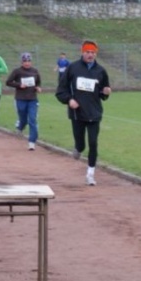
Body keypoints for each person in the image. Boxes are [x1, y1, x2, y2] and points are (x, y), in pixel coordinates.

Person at [55, 40, 112, 186]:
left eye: (93, 52)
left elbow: (103, 92)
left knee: (93, 142)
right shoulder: (73, 68)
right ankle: (79, 148)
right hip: (77, 113)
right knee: (81, 143)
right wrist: (69, 100)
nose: (90, 55)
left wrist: (106, 92)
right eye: (87, 52)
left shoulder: (101, 71)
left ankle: (90, 174)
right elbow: (61, 90)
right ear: (82, 52)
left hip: (94, 112)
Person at [6, 52, 42, 150]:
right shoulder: (17, 71)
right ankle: (20, 127)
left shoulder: (35, 71)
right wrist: (19, 85)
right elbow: (8, 82)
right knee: (23, 119)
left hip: (32, 99)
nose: (27, 63)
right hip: (21, 99)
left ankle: (32, 142)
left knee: (32, 119)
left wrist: (38, 88)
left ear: (31, 62)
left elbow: (38, 82)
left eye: (28, 61)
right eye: (25, 61)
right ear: (21, 62)